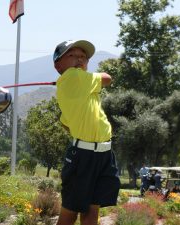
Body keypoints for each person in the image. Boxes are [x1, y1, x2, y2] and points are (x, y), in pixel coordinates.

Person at [53, 40, 120, 225]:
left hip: (103, 154)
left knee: (91, 211)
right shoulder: (74, 77)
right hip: (84, 156)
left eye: (83, 57)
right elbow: (107, 78)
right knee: (70, 213)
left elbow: (65, 124)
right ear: (58, 65)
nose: (79, 59)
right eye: (72, 55)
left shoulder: (83, 87)